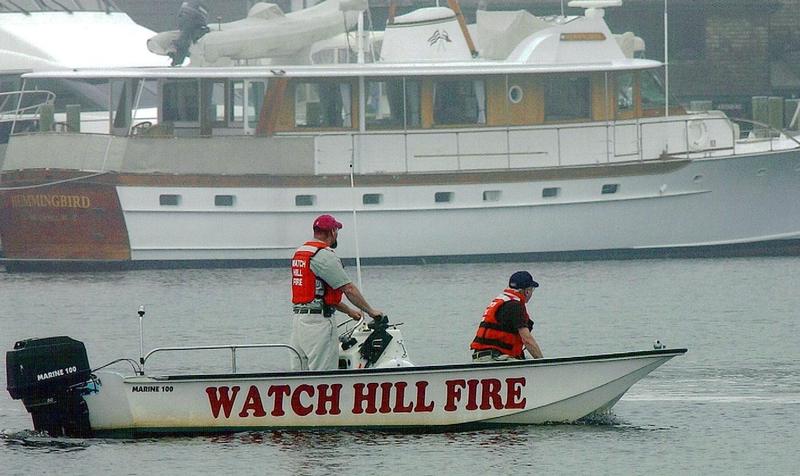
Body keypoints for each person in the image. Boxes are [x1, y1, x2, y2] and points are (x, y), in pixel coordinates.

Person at [290, 214, 384, 370]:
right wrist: (372, 312)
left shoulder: (301, 253)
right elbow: (348, 288)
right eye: (337, 230)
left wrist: (349, 311)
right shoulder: (323, 256)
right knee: (323, 374)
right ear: (332, 232)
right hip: (318, 324)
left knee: (300, 374)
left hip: (299, 323)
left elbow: (319, 294)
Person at [470, 271, 543, 362]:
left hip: (483, 357)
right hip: (493, 359)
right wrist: (542, 362)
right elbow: (527, 339)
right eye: (532, 289)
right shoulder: (515, 306)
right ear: (527, 291)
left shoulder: (504, 301)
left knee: (525, 360)